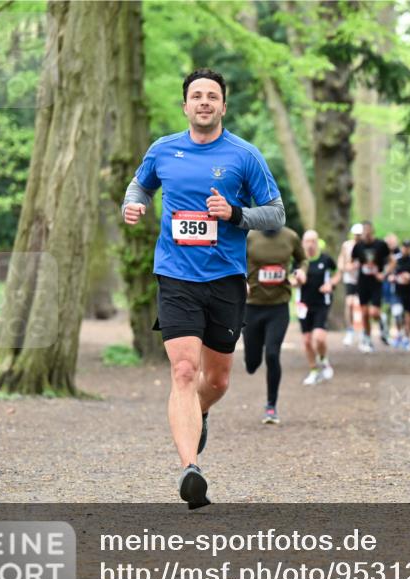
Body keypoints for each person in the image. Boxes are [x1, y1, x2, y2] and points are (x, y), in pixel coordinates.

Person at [122, 68, 285, 509]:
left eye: (213, 96)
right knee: (182, 371)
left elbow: (275, 214)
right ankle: (190, 470)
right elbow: (140, 185)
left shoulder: (244, 155)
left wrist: (233, 213)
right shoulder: (163, 150)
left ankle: (201, 412)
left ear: (223, 106)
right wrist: (133, 204)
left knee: (216, 379)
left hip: (226, 279)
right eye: (197, 96)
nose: (205, 102)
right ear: (186, 105)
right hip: (176, 275)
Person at [244, 226, 307, 425]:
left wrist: (300, 272)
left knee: (272, 353)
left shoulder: (290, 236)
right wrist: (240, 279)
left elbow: (302, 259)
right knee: (252, 363)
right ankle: (252, 360)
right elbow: (233, 258)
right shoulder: (250, 236)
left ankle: (271, 406)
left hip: (278, 307)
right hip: (251, 307)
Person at [298, 230, 340, 385]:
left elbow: (337, 274)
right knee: (307, 341)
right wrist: (296, 280)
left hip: (322, 303)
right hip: (303, 305)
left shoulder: (326, 259)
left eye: (313, 241)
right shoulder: (299, 261)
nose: (310, 244)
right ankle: (314, 370)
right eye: (307, 241)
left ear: (317, 243)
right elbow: (290, 279)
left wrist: (331, 284)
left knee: (319, 338)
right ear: (302, 243)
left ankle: (324, 360)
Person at [351, 221, 394, 353]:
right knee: (364, 313)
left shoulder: (381, 245)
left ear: (373, 231)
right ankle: (368, 338)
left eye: (369, 231)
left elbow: (392, 261)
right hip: (363, 282)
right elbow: (352, 262)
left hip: (376, 282)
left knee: (373, 313)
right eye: (364, 231)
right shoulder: (358, 246)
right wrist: (355, 267)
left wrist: (384, 274)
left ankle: (382, 320)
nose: (367, 234)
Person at [338, 223, 363, 346]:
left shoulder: (365, 246)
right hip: (350, 278)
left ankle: (363, 332)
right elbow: (341, 261)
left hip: (363, 279)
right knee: (349, 304)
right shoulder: (347, 245)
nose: (358, 237)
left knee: (362, 305)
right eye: (356, 234)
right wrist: (345, 268)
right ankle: (350, 330)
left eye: (359, 234)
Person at [380, 233, 400, 346]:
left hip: (398, 285)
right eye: (388, 243)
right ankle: (385, 332)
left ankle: (398, 334)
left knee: (396, 310)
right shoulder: (382, 254)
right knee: (385, 308)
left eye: (392, 242)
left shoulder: (399, 253)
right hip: (385, 284)